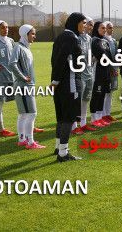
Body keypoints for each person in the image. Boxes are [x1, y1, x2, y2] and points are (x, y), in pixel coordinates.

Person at [51, 12, 86, 162]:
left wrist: (55, 81)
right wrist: (56, 80)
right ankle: (63, 153)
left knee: (61, 117)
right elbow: (61, 59)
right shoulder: (71, 37)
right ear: (75, 22)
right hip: (69, 82)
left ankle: (58, 147)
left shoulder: (61, 36)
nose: (84, 26)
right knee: (68, 118)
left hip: (61, 83)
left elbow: (54, 60)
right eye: (83, 23)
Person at [9, 24, 45, 149]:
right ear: (25, 34)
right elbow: (12, 64)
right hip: (24, 86)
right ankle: (30, 142)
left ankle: (22, 140)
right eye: (32, 34)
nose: (34, 36)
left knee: (23, 114)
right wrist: (23, 77)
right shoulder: (18, 47)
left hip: (26, 85)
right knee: (32, 113)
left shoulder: (26, 48)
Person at [73, 16, 97, 133]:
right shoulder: (76, 37)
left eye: (92, 25)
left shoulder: (89, 38)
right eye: (88, 24)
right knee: (76, 100)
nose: (90, 27)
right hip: (79, 74)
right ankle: (74, 125)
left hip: (89, 72)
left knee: (86, 99)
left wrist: (92, 59)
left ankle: (83, 123)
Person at [90, 22, 113, 127]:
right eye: (102, 28)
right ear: (97, 29)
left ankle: (100, 118)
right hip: (97, 71)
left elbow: (109, 55)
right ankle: (93, 118)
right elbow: (100, 55)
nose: (104, 30)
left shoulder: (105, 41)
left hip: (106, 71)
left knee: (103, 94)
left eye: (105, 28)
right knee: (96, 95)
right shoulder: (93, 40)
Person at [102, 21, 118, 122]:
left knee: (110, 92)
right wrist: (111, 68)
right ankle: (103, 115)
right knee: (104, 92)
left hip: (113, 70)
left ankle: (108, 114)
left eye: (112, 28)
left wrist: (116, 68)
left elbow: (116, 55)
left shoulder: (114, 41)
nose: (111, 30)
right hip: (105, 69)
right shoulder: (102, 40)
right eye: (109, 28)